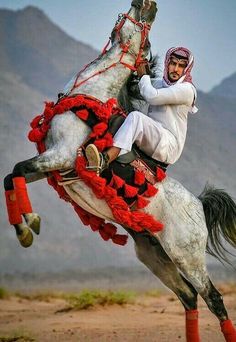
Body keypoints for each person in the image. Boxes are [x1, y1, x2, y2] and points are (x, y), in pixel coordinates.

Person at [85, 46, 198, 173]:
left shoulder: (187, 90)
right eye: (173, 63)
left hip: (169, 145)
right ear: (167, 63)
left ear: (187, 69)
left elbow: (151, 96)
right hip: (155, 136)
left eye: (181, 66)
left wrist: (144, 75)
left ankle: (105, 159)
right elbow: (140, 87)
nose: (176, 69)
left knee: (135, 117)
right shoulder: (159, 84)